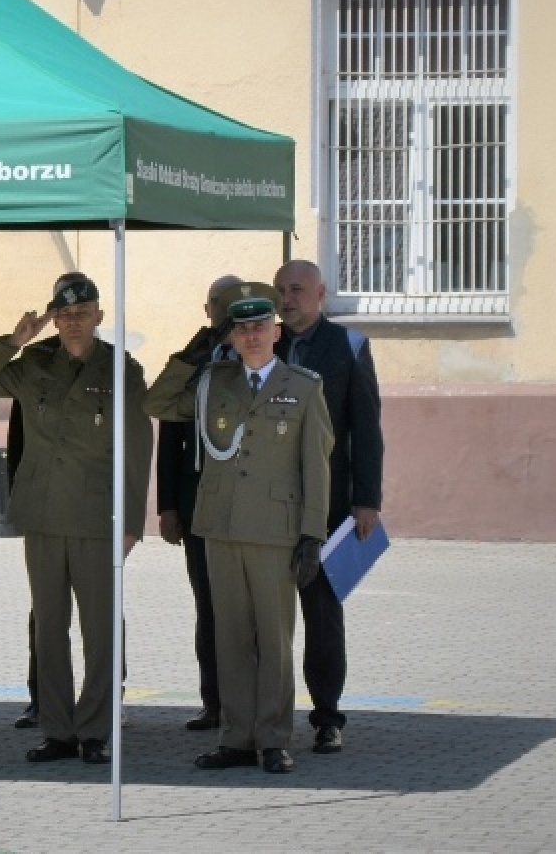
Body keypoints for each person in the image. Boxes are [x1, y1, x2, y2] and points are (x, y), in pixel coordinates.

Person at [0, 274, 152, 765]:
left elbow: (137, 449)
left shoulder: (122, 369)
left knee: (100, 629)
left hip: (95, 518)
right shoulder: (34, 363)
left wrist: (130, 522)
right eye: (63, 315)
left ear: (99, 316)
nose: (72, 323)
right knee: (48, 628)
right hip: (43, 514)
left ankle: (97, 729)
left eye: (81, 313)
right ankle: (58, 730)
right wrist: (15, 340)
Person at [145, 282, 331, 775]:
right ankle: (236, 738)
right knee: (229, 638)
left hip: (274, 531)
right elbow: (156, 402)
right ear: (231, 335)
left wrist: (312, 535)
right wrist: (190, 355)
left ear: (276, 331)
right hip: (221, 527)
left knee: (273, 640)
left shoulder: (303, 386)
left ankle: (273, 739)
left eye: (260, 327)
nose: (251, 336)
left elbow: (316, 468)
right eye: (242, 328)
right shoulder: (212, 383)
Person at [274, 259, 385, 754]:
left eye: (297, 289)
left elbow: (366, 428)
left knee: (321, 616)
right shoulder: (264, 343)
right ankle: (263, 715)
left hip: (328, 504)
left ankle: (326, 717)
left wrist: (366, 500)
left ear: (321, 294)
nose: (287, 299)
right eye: (281, 290)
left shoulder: (348, 346)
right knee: (266, 616)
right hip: (270, 504)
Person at [154, 274, 241, 733]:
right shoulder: (194, 361)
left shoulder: (261, 358)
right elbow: (169, 435)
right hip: (199, 506)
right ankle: (214, 702)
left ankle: (248, 705)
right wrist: (168, 505)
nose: (222, 314)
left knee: (246, 611)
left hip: (247, 507)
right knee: (208, 608)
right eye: (217, 306)